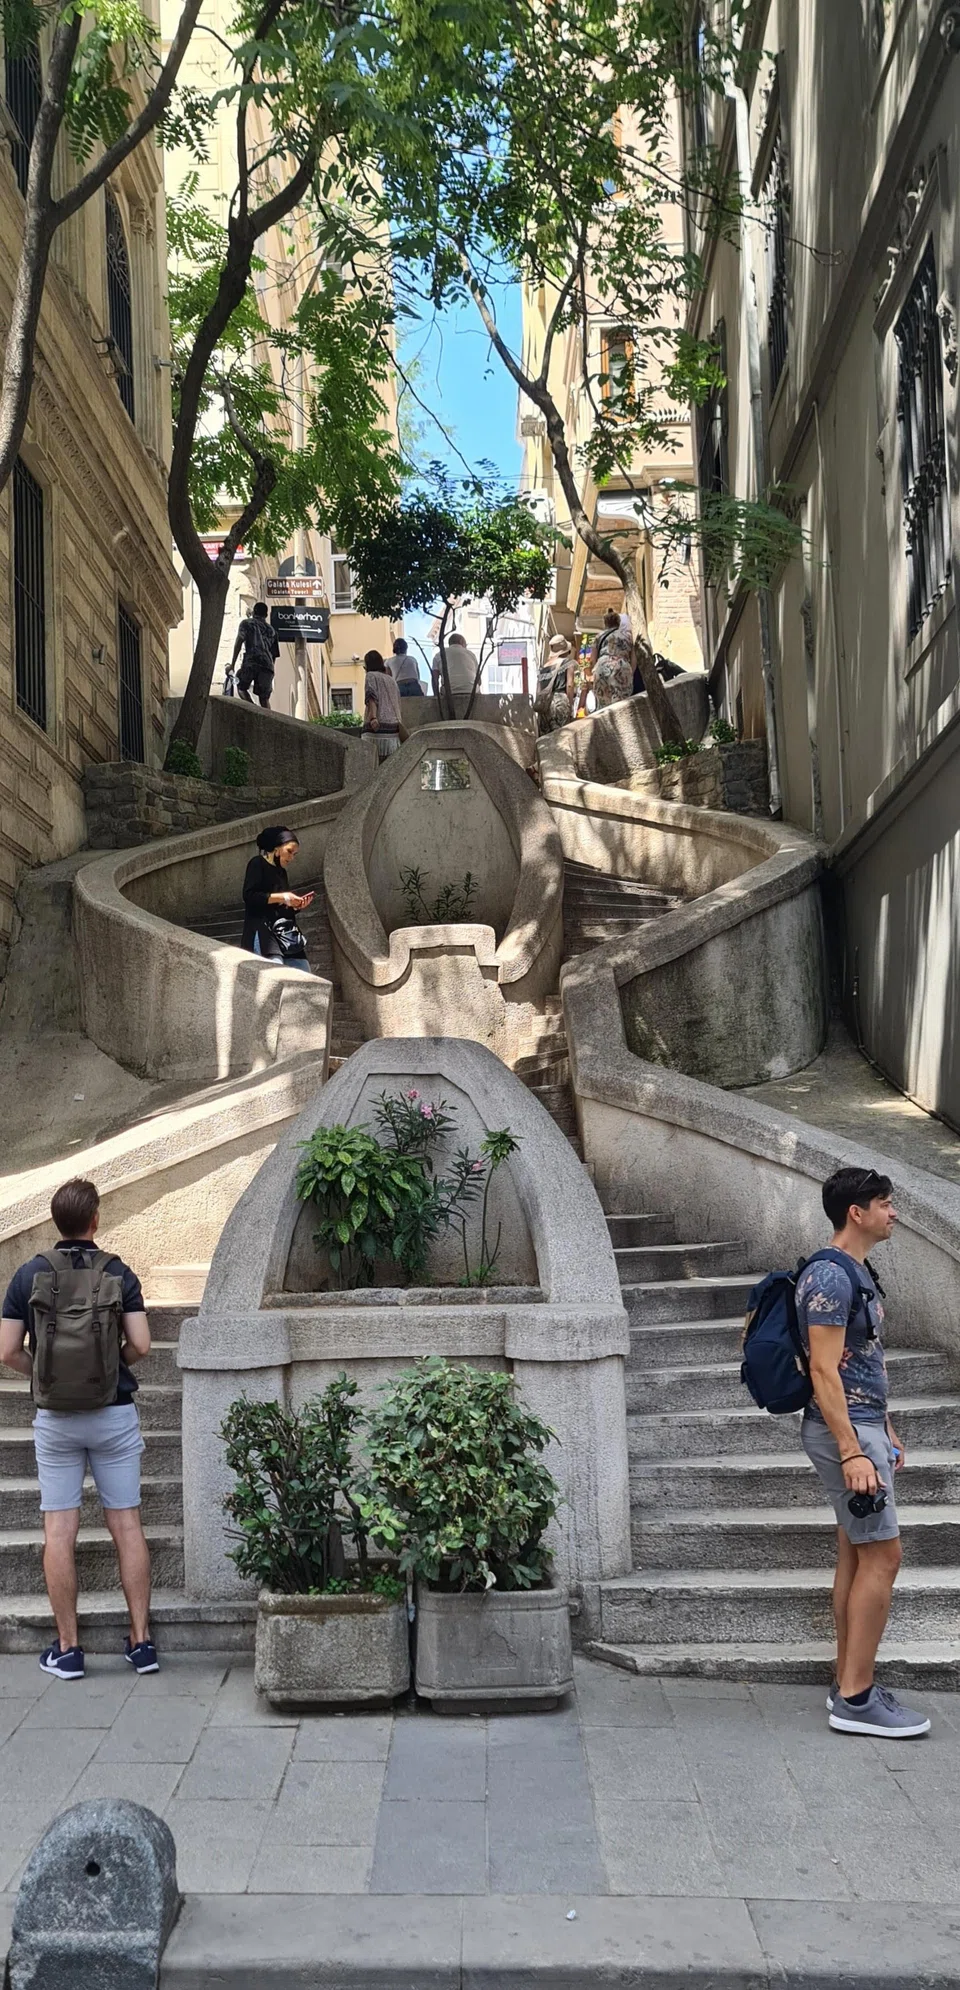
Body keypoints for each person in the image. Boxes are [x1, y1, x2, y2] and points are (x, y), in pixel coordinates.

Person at [0, 1179, 157, 1679]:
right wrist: (109, 1369)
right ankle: (141, 1643)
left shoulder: (28, 1274)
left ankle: (68, 1650)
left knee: (59, 1530)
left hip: (57, 1421)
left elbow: (6, 1351)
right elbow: (142, 1344)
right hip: (113, 1413)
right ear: (95, 1220)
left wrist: (44, 1377)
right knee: (126, 1524)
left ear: (56, 1221)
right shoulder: (118, 1272)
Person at [796, 1166, 930, 1739]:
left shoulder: (854, 1270)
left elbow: (861, 1360)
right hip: (846, 1434)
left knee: (857, 1554)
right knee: (884, 1557)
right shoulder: (830, 1275)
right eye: (885, 1203)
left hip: (865, 1425)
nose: (893, 1212)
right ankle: (856, 1698)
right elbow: (823, 1370)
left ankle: (847, 1681)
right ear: (857, 1212)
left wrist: (886, 1426)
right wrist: (853, 1452)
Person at [241, 826, 314, 969]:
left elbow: (281, 906)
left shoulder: (282, 873)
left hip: (286, 934)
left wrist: (296, 906)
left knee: (304, 971)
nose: (291, 858)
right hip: (263, 932)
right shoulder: (257, 863)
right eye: (289, 851)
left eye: (295, 854)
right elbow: (249, 896)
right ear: (276, 848)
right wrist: (283, 897)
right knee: (275, 972)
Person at [232, 602, 280, 709]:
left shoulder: (246, 623)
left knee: (241, 685)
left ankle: (253, 709)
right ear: (266, 615)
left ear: (254, 612)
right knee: (264, 699)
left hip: (251, 661)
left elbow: (239, 642)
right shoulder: (273, 631)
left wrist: (232, 664)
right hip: (267, 666)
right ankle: (267, 716)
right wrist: (271, 671)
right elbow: (274, 655)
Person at [363, 650, 404, 760]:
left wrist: (373, 717)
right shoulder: (392, 680)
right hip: (394, 730)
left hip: (377, 729)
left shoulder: (370, 676)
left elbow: (371, 697)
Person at [535, 635, 575, 734]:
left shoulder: (544, 667)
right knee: (561, 735)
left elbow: (539, 688)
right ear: (565, 651)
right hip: (560, 701)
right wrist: (570, 704)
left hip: (545, 703)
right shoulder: (568, 663)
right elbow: (570, 685)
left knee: (546, 736)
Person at [431, 631, 480, 700]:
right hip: (471, 691)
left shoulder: (439, 655)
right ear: (461, 641)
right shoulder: (471, 654)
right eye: (466, 645)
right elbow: (479, 680)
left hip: (449, 692)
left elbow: (434, 677)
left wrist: (436, 696)